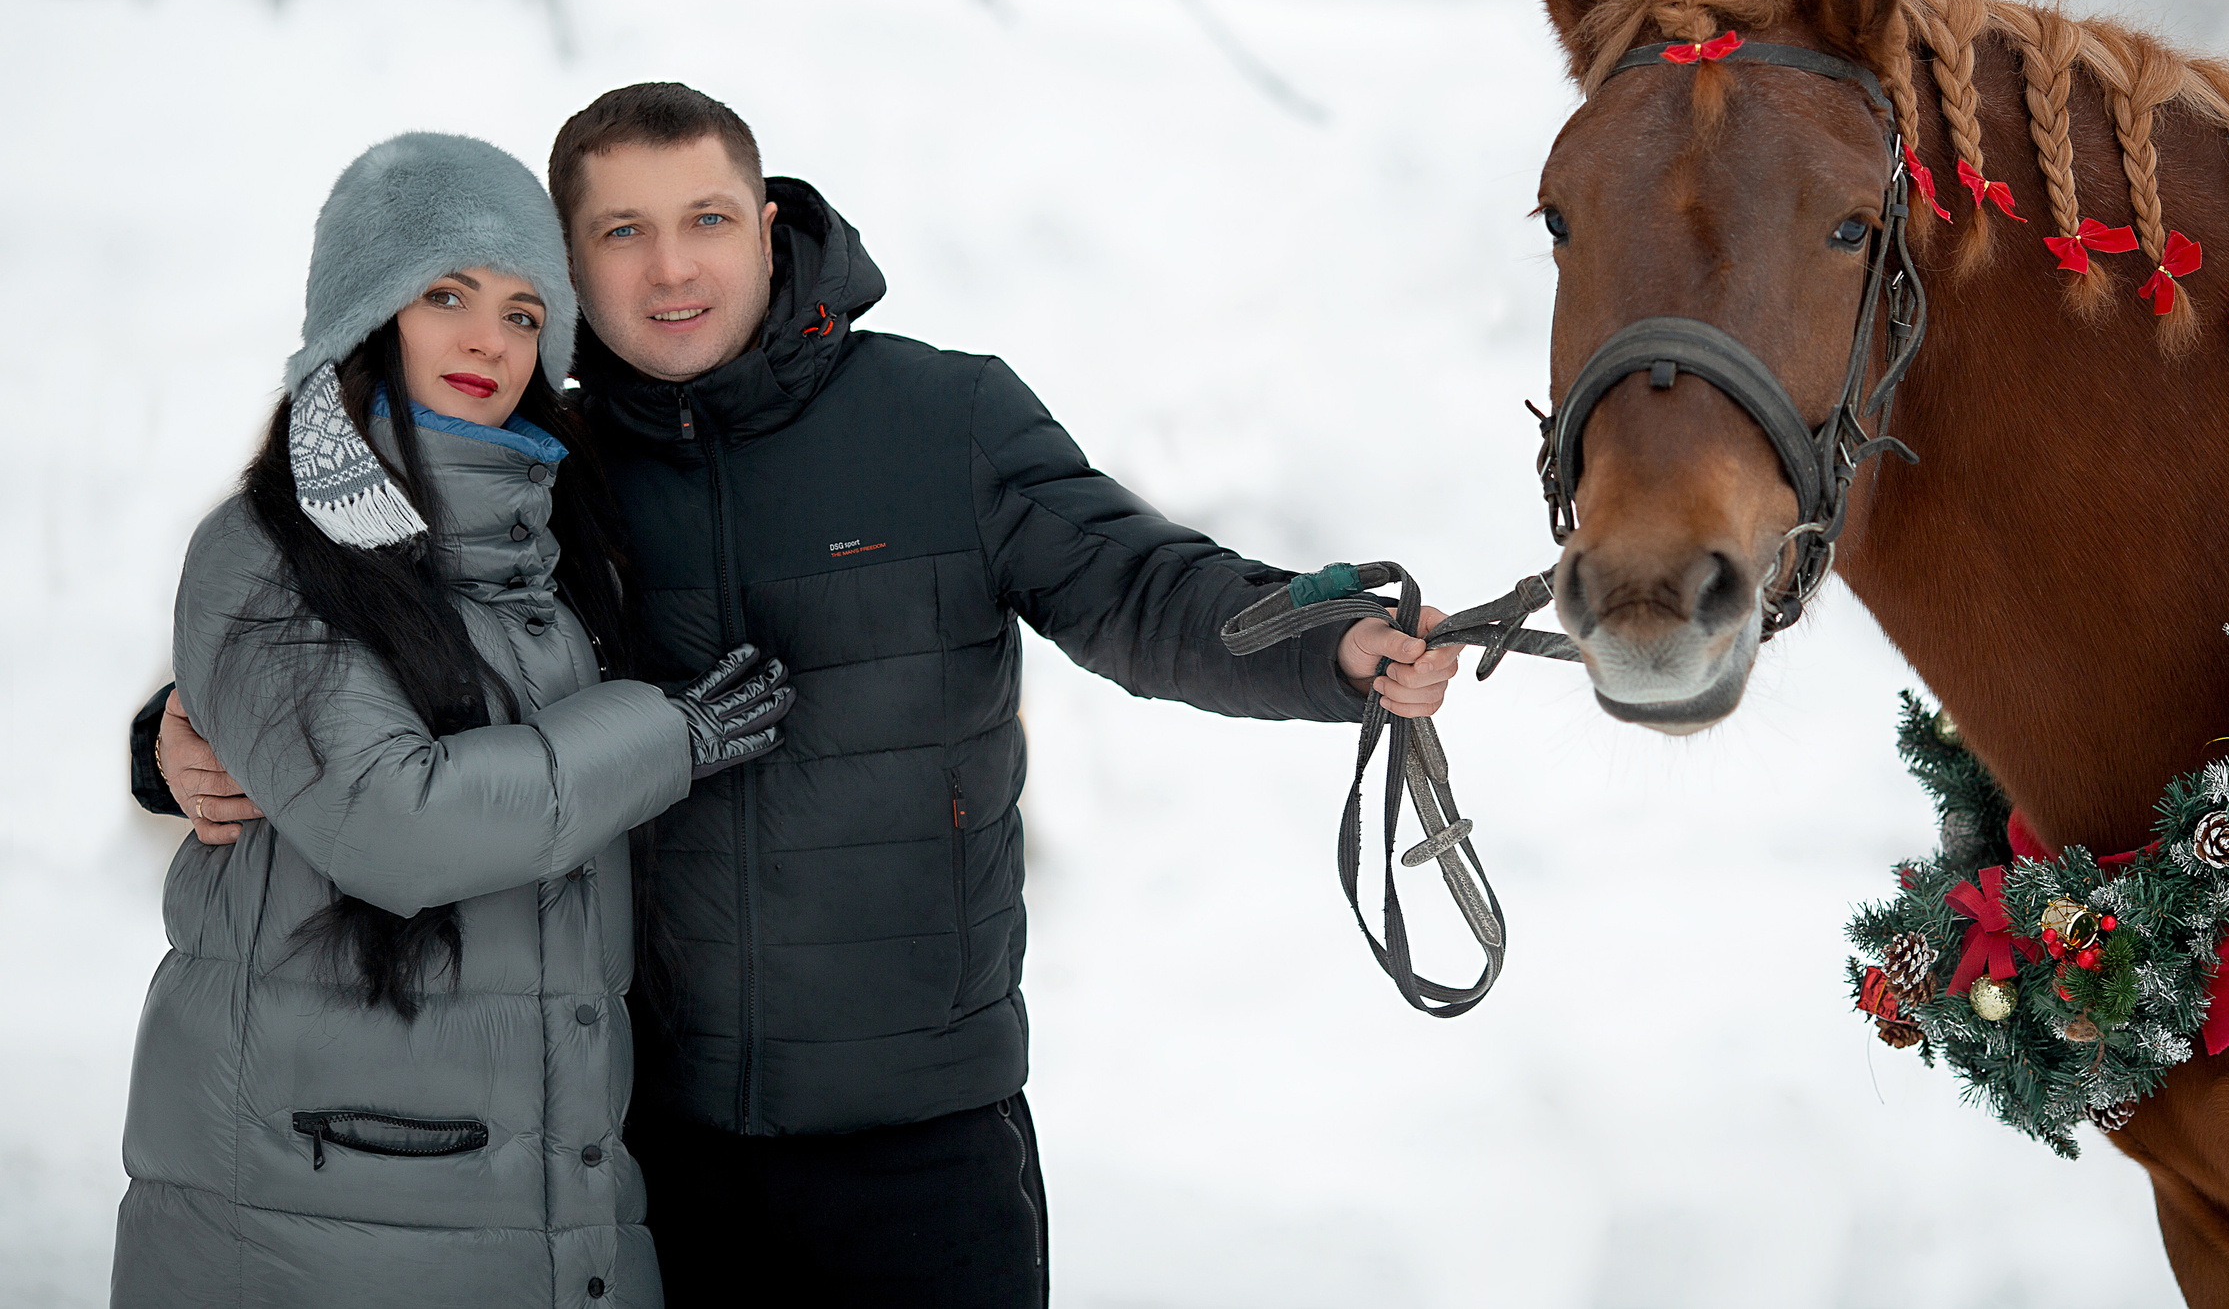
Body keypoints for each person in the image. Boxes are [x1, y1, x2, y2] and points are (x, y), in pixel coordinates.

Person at [141, 85, 1464, 1306]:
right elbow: (361, 641)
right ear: (573, 267)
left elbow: (1142, 587)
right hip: (646, 1144)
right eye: (622, 233)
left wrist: (1322, 643)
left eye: (706, 219)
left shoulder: (945, 419)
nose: (671, 268)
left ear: (768, 228)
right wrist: (172, 737)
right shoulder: (545, 464)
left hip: (918, 1139)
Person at [114, 134, 797, 1309]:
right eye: (446, 297)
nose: (490, 341)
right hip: (317, 1206)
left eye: (526, 313)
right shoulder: (269, 549)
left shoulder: (560, 545)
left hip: (550, 1197)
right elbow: (396, 821)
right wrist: (661, 735)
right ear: (363, 312)